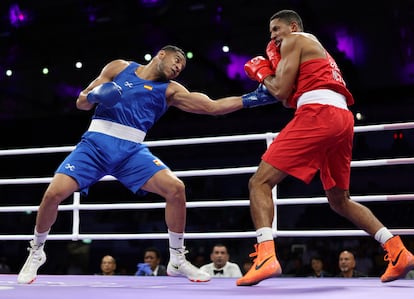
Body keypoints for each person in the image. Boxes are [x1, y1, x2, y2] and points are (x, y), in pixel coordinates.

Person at [16, 45, 278, 284]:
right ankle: (36, 252)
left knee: (176, 189)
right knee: (53, 194)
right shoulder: (119, 67)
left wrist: (251, 99)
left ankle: (177, 259)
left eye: (182, 66)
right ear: (161, 54)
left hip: (131, 151)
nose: (178, 67)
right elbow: (81, 102)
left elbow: (211, 106)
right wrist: (98, 96)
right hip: (95, 144)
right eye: (176, 61)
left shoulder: (171, 90)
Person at [236, 9, 414, 286]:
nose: (272, 37)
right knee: (339, 200)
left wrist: (262, 74)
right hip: (341, 118)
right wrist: (274, 77)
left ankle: (266, 255)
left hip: (318, 112)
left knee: (259, 182)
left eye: (275, 30)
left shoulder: (295, 39)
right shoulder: (310, 49)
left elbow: (281, 91)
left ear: (292, 26)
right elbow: (288, 99)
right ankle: (397, 250)